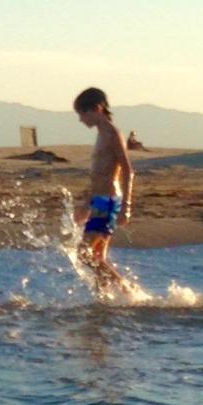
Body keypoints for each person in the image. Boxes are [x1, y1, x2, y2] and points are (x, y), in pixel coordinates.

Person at [73, 87, 134, 293]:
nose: (81, 120)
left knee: (84, 254)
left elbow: (127, 170)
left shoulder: (112, 134)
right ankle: (104, 303)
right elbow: (99, 174)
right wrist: (86, 203)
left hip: (108, 202)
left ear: (97, 109)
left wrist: (126, 206)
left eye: (83, 114)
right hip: (98, 200)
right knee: (98, 257)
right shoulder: (100, 135)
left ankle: (128, 292)